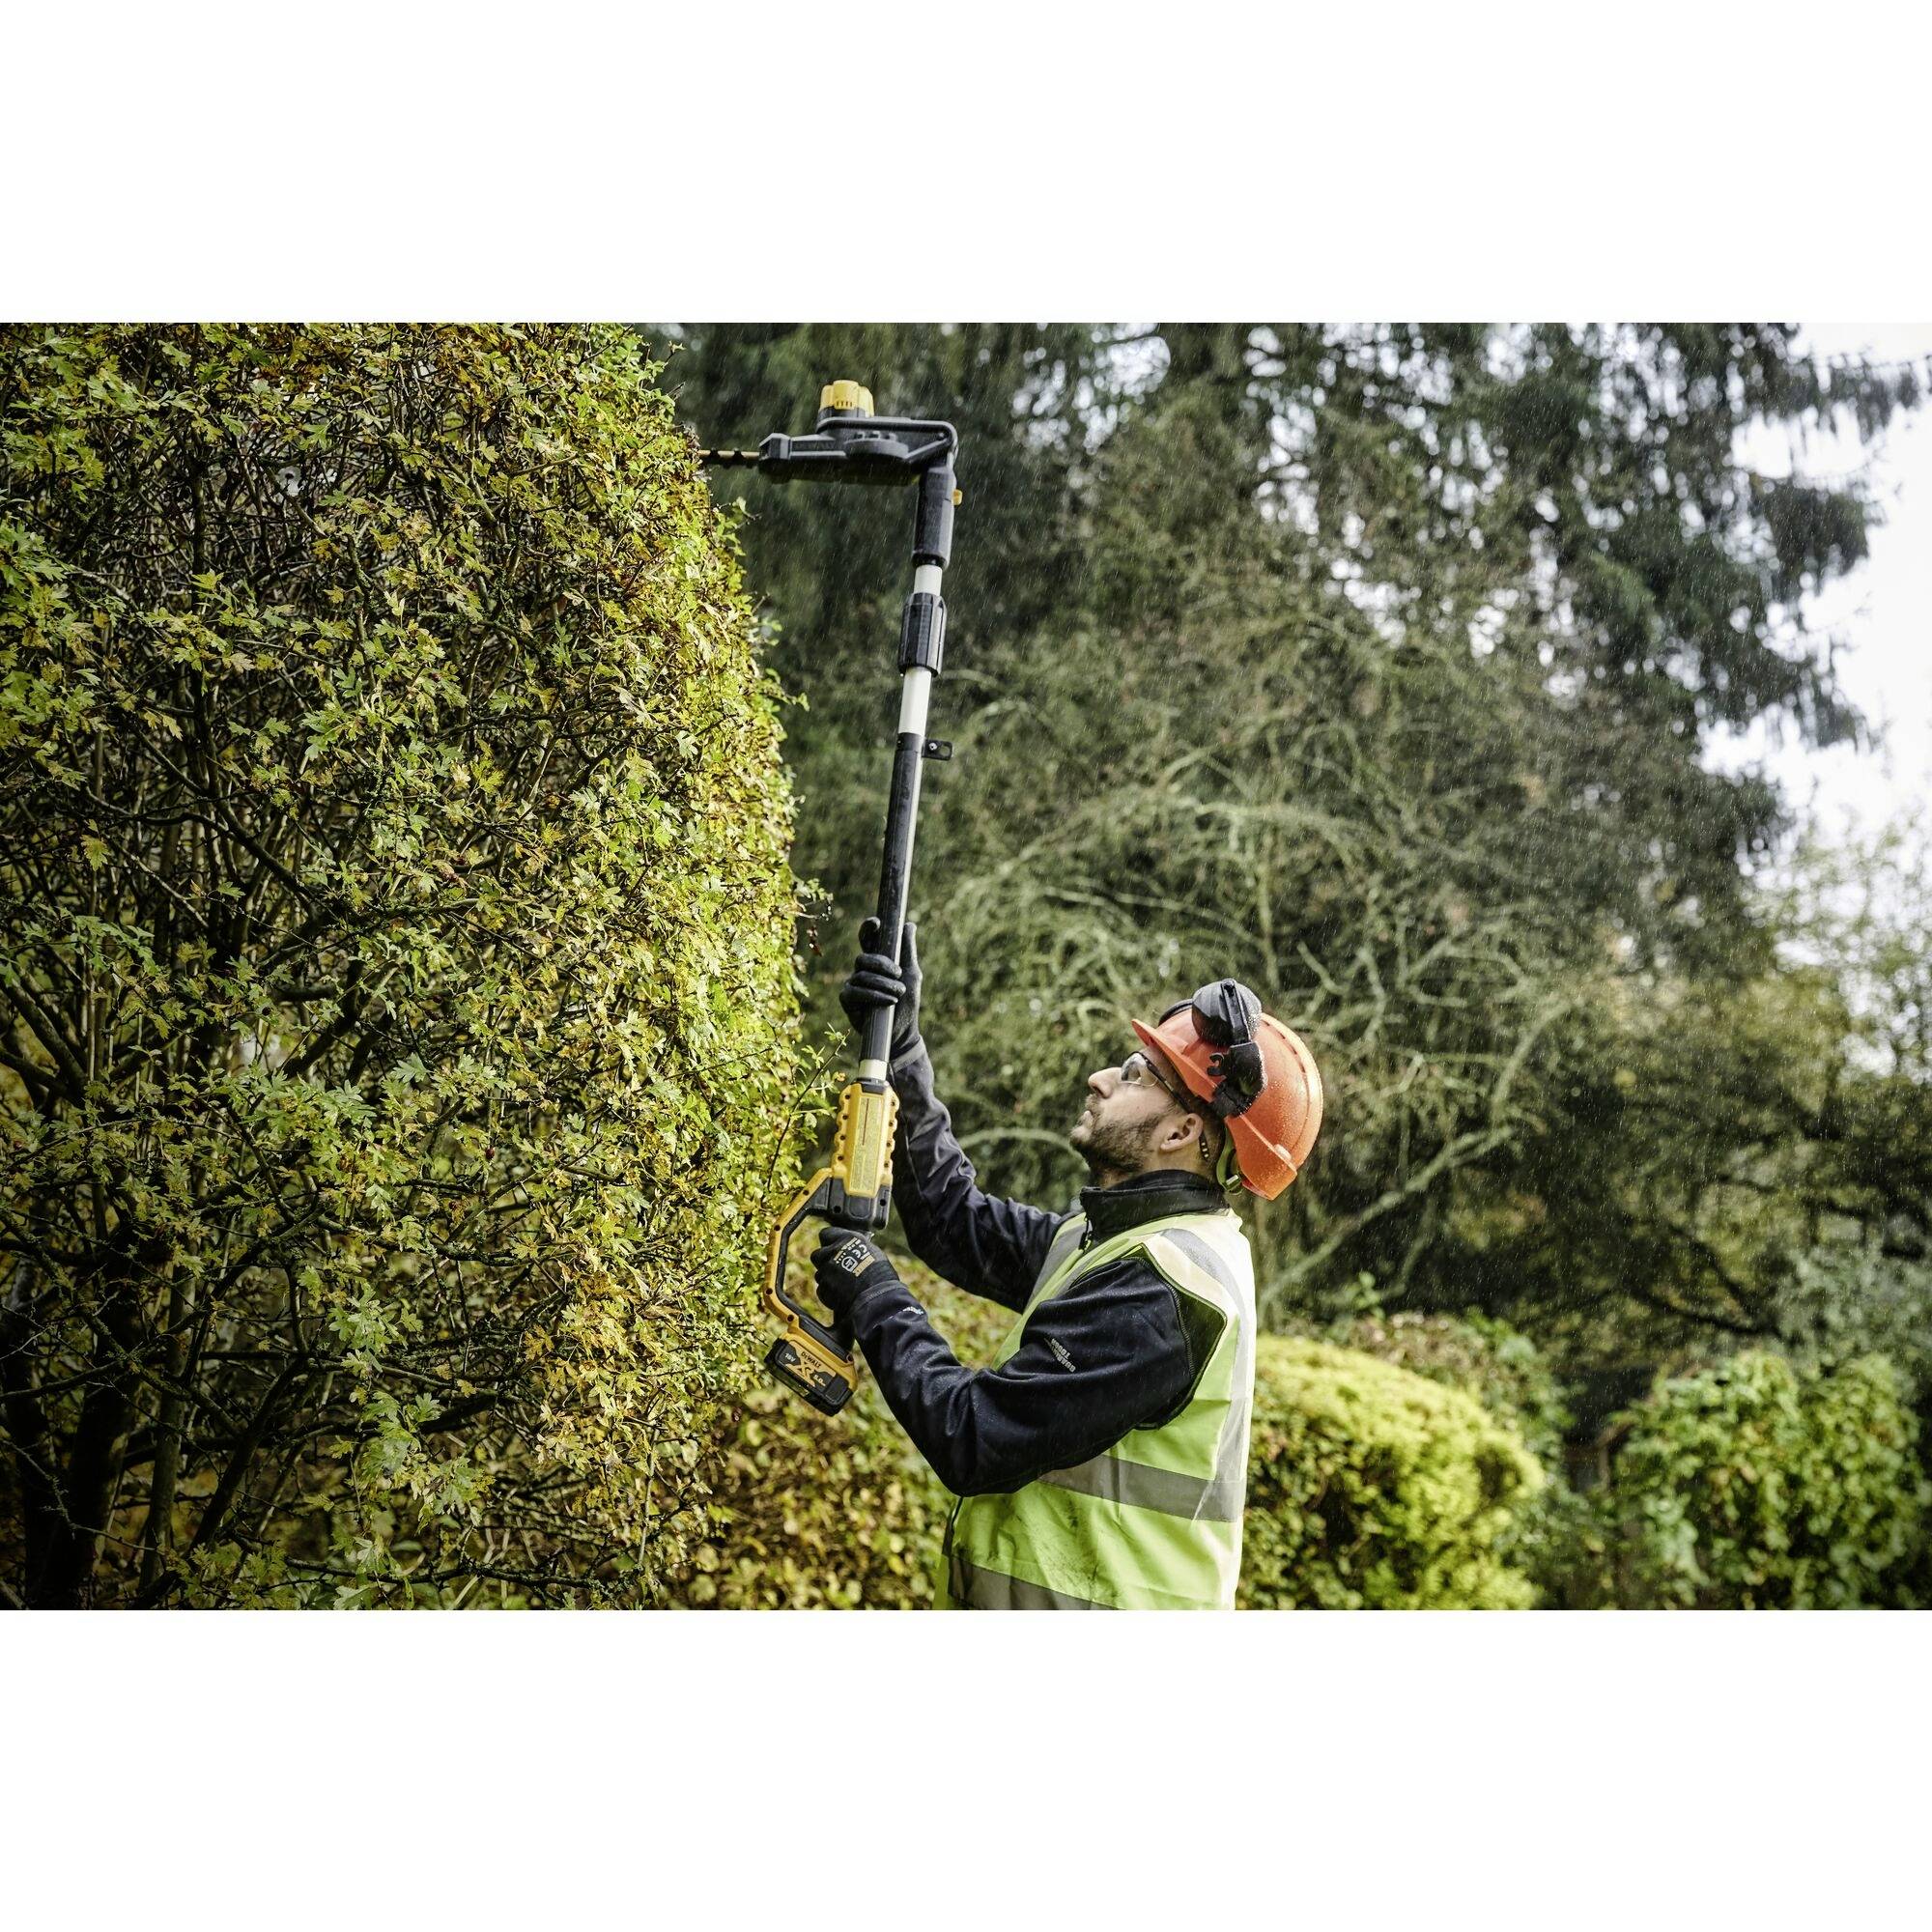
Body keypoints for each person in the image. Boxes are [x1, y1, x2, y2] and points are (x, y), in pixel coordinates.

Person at [810, 920, 1323, 1610]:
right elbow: (954, 1224)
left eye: (1136, 1075)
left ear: (1182, 1132)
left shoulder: (1167, 1289)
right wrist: (899, 1043)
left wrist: (874, 1292)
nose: (1102, 1077)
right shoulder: (1114, 1238)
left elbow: (976, 1435)